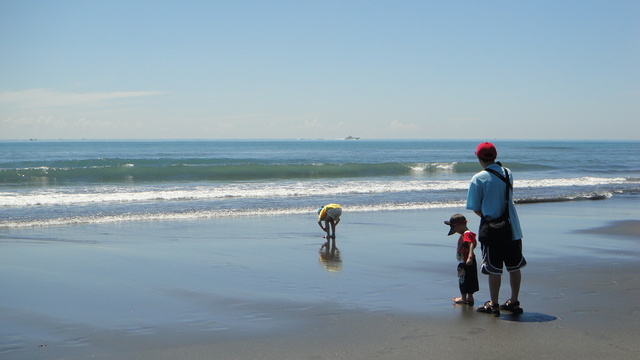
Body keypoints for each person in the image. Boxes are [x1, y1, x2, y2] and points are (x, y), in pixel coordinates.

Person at [466, 142, 526, 316]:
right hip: (512, 226)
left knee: (494, 269)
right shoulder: (508, 173)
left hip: (492, 229)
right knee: (514, 266)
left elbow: (476, 208)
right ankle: (514, 300)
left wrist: (490, 217)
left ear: (478, 157)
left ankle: (494, 303)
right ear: (495, 155)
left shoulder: (478, 178)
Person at [445, 213, 479, 306]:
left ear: (459, 225)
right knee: (470, 279)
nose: (455, 231)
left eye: (454, 228)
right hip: (468, 261)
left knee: (463, 279)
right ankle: (470, 297)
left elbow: (471, 244)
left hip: (465, 261)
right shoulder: (467, 233)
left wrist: (470, 257)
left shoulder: (466, 234)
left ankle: (464, 298)